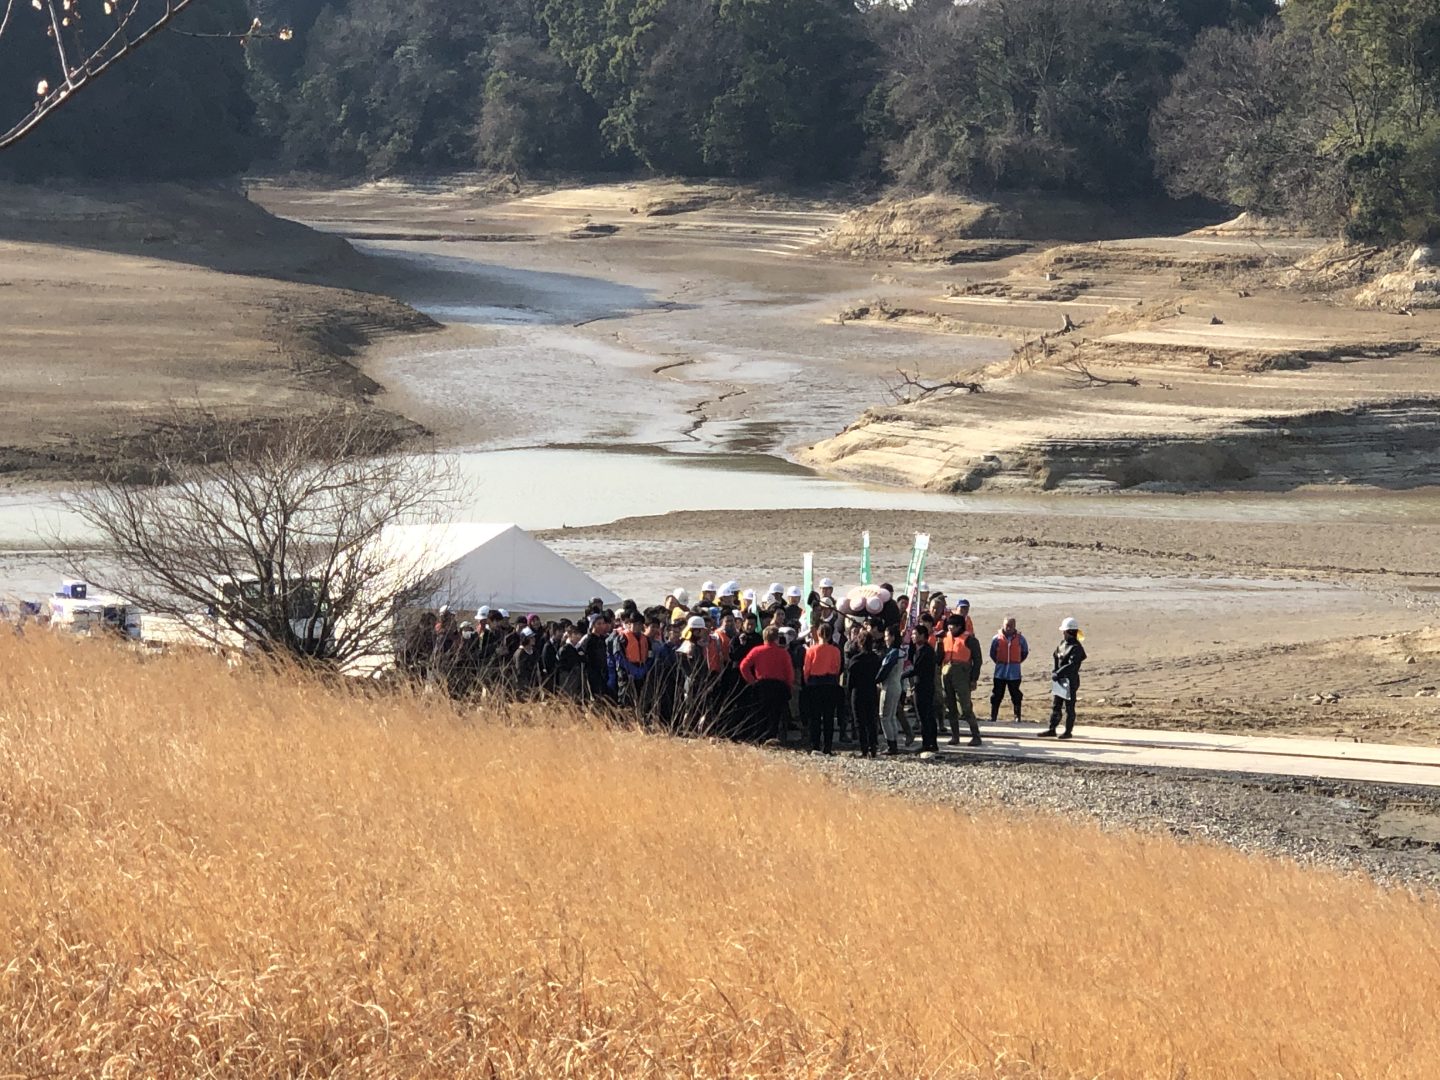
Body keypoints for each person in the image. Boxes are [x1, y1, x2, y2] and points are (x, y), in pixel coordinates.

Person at [739, 625, 794, 743]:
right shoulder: (783, 653)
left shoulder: (756, 651)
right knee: (775, 714)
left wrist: (752, 681)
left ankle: (759, 738)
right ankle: (771, 738)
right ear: (776, 638)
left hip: (762, 685)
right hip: (779, 686)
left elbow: (743, 666)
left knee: (760, 713)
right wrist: (788, 686)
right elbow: (789, 673)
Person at [938, 614, 983, 746]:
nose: (950, 628)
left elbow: (978, 661)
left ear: (959, 626)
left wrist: (974, 679)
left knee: (965, 707)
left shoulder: (970, 640)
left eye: (953, 625)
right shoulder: (945, 638)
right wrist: (938, 644)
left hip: (962, 675)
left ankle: (976, 736)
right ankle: (955, 736)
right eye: (949, 625)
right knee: (950, 706)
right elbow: (939, 657)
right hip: (946, 674)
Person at [1041, 618, 1087, 739]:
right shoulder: (1062, 644)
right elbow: (1056, 656)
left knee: (1069, 707)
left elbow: (1072, 665)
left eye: (1064, 631)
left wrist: (1059, 672)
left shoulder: (1076, 647)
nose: (1063, 633)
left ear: (1069, 632)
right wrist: (1055, 671)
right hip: (1060, 680)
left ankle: (1068, 731)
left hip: (1070, 681)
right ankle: (1052, 729)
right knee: (1056, 705)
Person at [803, 624, 843, 754]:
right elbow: (837, 669)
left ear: (818, 634)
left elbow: (807, 669)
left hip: (814, 684)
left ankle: (815, 745)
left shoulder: (811, 650)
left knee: (815, 717)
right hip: (830, 683)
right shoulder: (836, 650)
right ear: (831, 635)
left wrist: (807, 681)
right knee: (828, 717)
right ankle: (828, 746)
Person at [847, 629, 882, 758]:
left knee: (859, 721)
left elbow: (850, 681)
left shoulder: (855, 660)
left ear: (860, 643)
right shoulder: (876, 659)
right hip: (871, 689)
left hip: (858, 691)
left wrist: (849, 691)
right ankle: (873, 746)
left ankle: (863, 748)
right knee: (871, 719)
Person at [989, 616, 1029, 724]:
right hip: (1000, 673)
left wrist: (1016, 662)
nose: (1008, 628)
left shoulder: (1021, 639)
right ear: (1003, 625)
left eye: (1011, 625)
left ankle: (1017, 716)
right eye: (1007, 625)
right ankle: (993, 716)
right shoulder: (996, 638)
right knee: (997, 694)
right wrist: (1000, 662)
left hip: (1014, 673)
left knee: (1016, 695)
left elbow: (1024, 652)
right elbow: (992, 653)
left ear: (1014, 626)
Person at [876, 625, 908, 753]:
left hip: (889, 686)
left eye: (887, 637)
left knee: (884, 716)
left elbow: (884, 671)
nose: (885, 639)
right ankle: (894, 742)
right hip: (897, 685)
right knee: (892, 716)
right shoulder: (900, 652)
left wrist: (875, 680)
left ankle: (891, 744)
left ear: (893, 637)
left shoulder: (893, 654)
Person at [907, 623, 940, 752]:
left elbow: (917, 669)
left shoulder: (926, 651)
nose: (913, 637)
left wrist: (902, 676)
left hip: (924, 686)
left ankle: (928, 743)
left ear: (923, 636)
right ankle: (931, 743)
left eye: (915, 634)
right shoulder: (918, 649)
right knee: (926, 715)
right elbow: (911, 658)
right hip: (921, 685)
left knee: (925, 716)